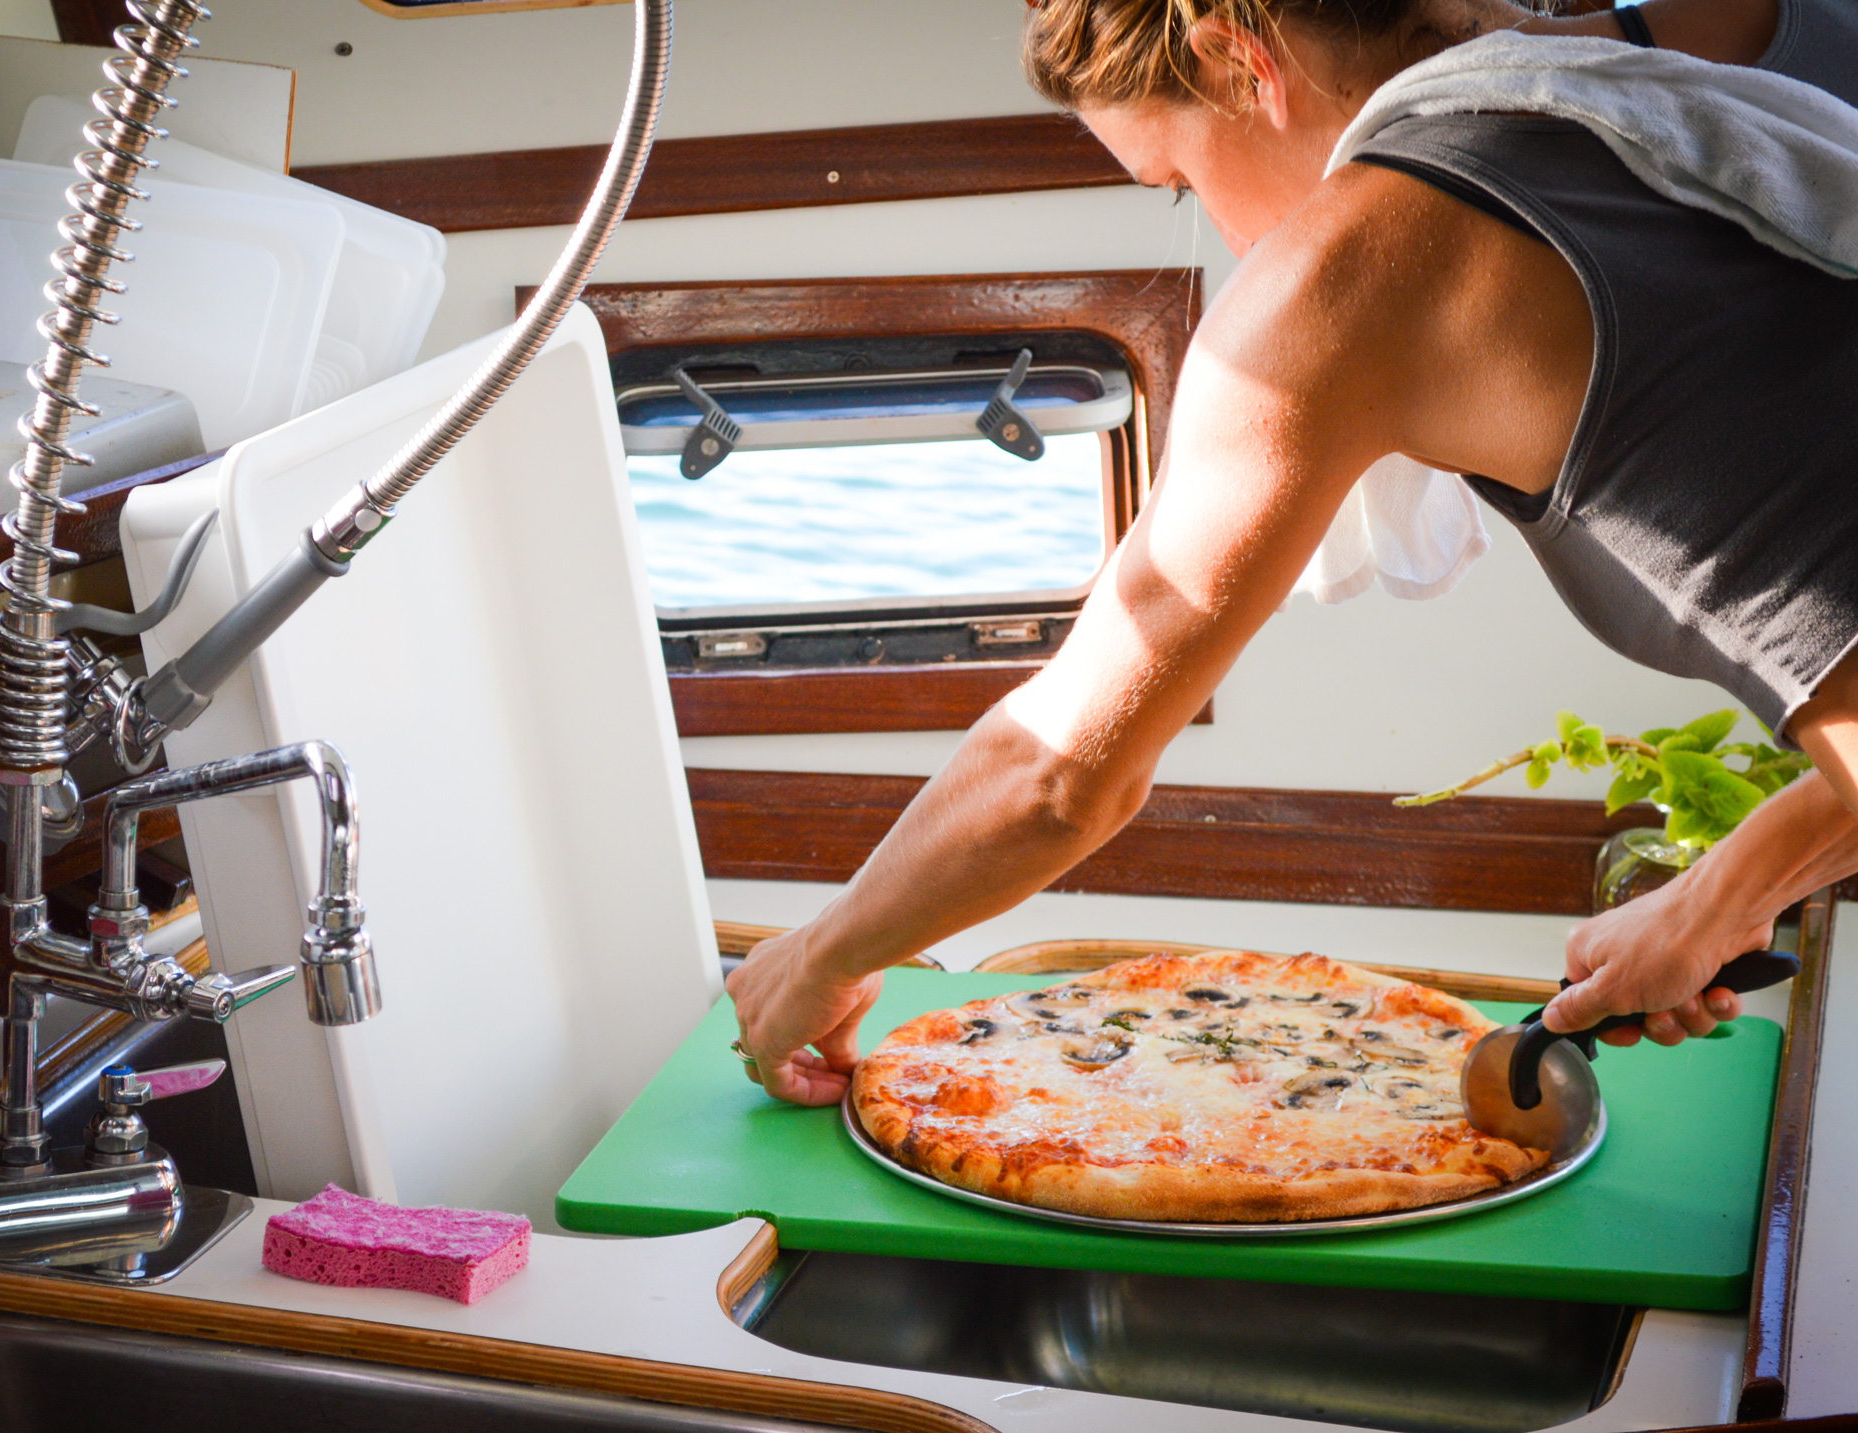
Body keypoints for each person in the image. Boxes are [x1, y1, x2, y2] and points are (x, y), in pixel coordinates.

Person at [726, 0, 1858, 1105]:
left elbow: (1058, 772)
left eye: (1178, 180)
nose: (1225, 237)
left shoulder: (1343, 274)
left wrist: (817, 956)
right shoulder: (1677, 63)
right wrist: (1724, 889)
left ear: (1233, 58)